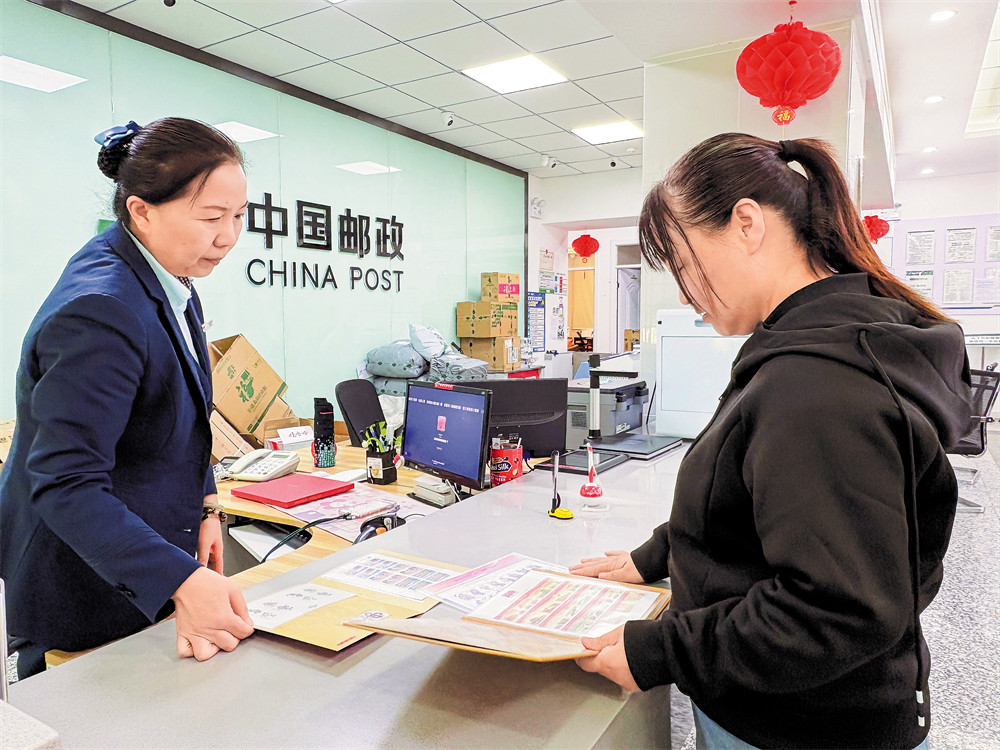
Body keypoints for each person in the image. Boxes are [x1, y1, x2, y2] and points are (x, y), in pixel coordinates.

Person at [570, 133, 972, 750]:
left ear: (747, 224)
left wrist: (662, 651)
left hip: (802, 726)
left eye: (682, 263)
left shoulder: (816, 384)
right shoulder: (814, 343)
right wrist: (655, 557)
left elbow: (835, 611)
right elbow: (749, 500)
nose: (683, 291)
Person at [0, 117, 254, 679]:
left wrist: (207, 504)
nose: (229, 236)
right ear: (142, 211)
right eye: (211, 217)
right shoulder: (102, 310)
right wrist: (180, 579)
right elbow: (64, 483)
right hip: (81, 580)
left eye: (239, 215)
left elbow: (185, 414)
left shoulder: (168, 276)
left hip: (141, 550)